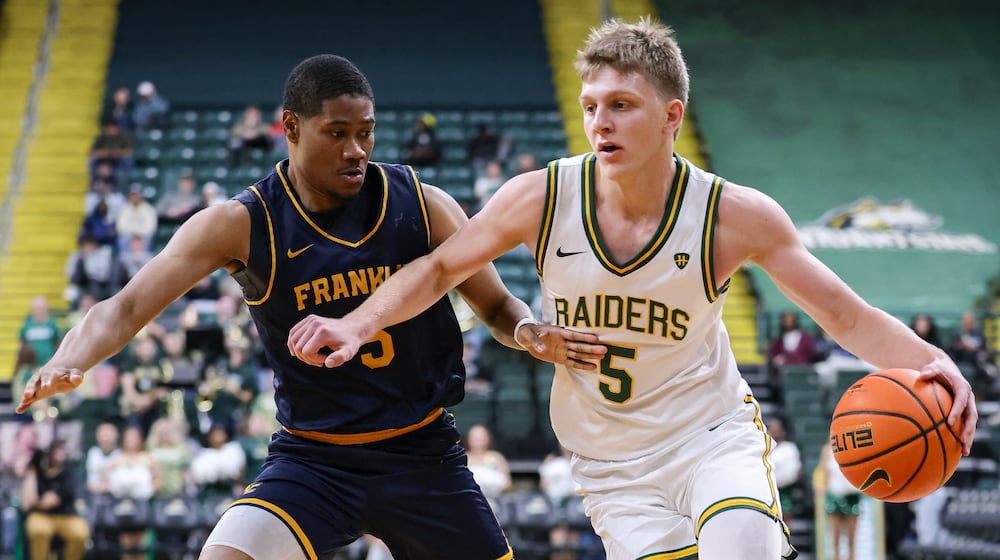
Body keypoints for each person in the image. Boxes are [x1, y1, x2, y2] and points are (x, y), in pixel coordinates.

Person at [285, 18, 978, 560]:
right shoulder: (542, 195)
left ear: (673, 115)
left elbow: (842, 313)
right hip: (610, 462)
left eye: (621, 105)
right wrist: (357, 323)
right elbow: (439, 269)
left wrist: (929, 364)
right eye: (591, 106)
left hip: (708, 436)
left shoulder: (734, 215)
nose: (600, 123)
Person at [18, 54, 601, 560]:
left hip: (422, 454)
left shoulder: (424, 205)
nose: (356, 150)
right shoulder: (242, 223)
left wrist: (528, 330)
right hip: (314, 460)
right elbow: (123, 308)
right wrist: (69, 359)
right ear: (291, 127)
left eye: (367, 133)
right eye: (338, 133)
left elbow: (498, 303)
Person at [20, 440, 91, 560]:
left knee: (81, 533)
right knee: (38, 530)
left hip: (67, 516)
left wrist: (38, 502)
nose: (60, 455)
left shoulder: (69, 471)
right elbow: (26, 503)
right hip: (40, 516)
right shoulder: (36, 472)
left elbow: (53, 500)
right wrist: (31, 471)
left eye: (61, 451)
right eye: (55, 451)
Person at [817, 445, 861, 560]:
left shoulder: (854, 448)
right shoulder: (827, 450)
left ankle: (852, 557)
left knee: (852, 537)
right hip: (835, 494)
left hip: (851, 494)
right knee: (835, 537)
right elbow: (823, 471)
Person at [463, 424, 511, 499]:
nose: (479, 443)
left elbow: (507, 483)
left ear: (488, 439)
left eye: (481, 439)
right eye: (475, 439)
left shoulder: (497, 457)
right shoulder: (463, 458)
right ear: (469, 440)